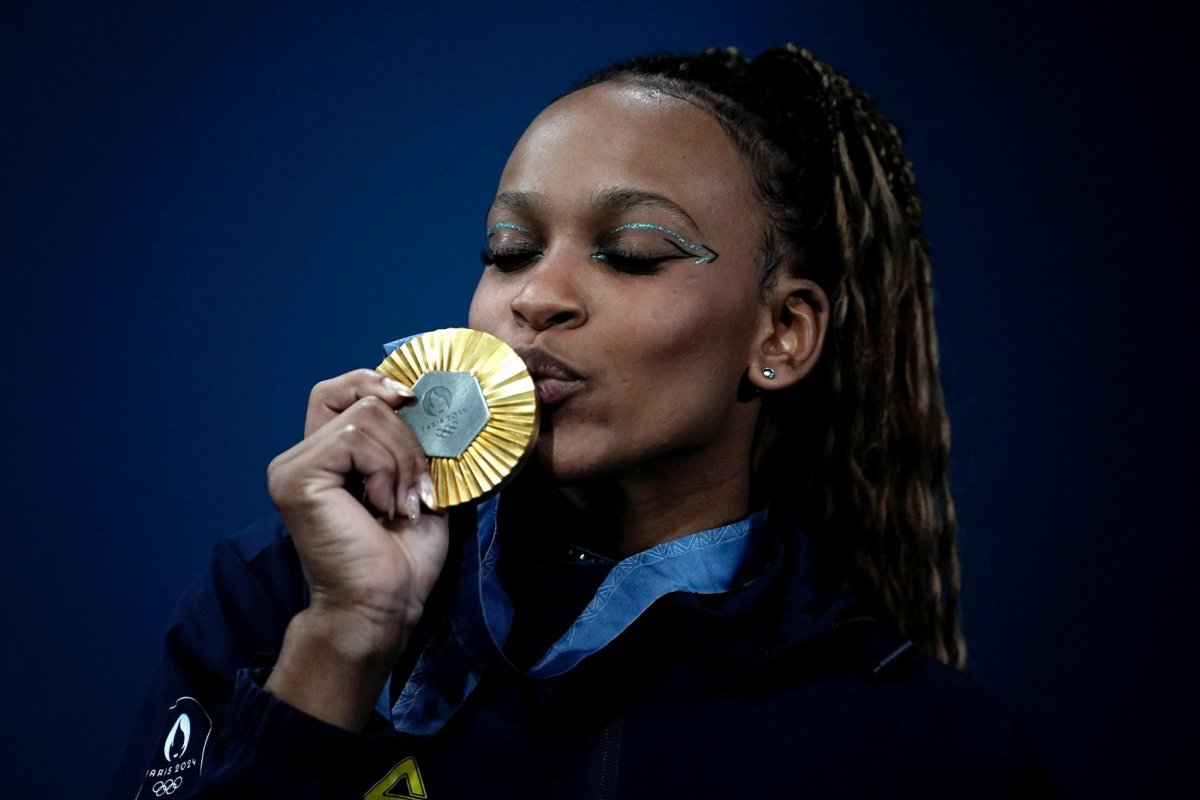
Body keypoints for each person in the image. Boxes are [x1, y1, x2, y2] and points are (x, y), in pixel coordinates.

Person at [109, 45, 1051, 799]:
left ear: (783, 332)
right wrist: (345, 642)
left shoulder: (928, 750)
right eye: (510, 250)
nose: (540, 296)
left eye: (633, 254)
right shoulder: (279, 597)